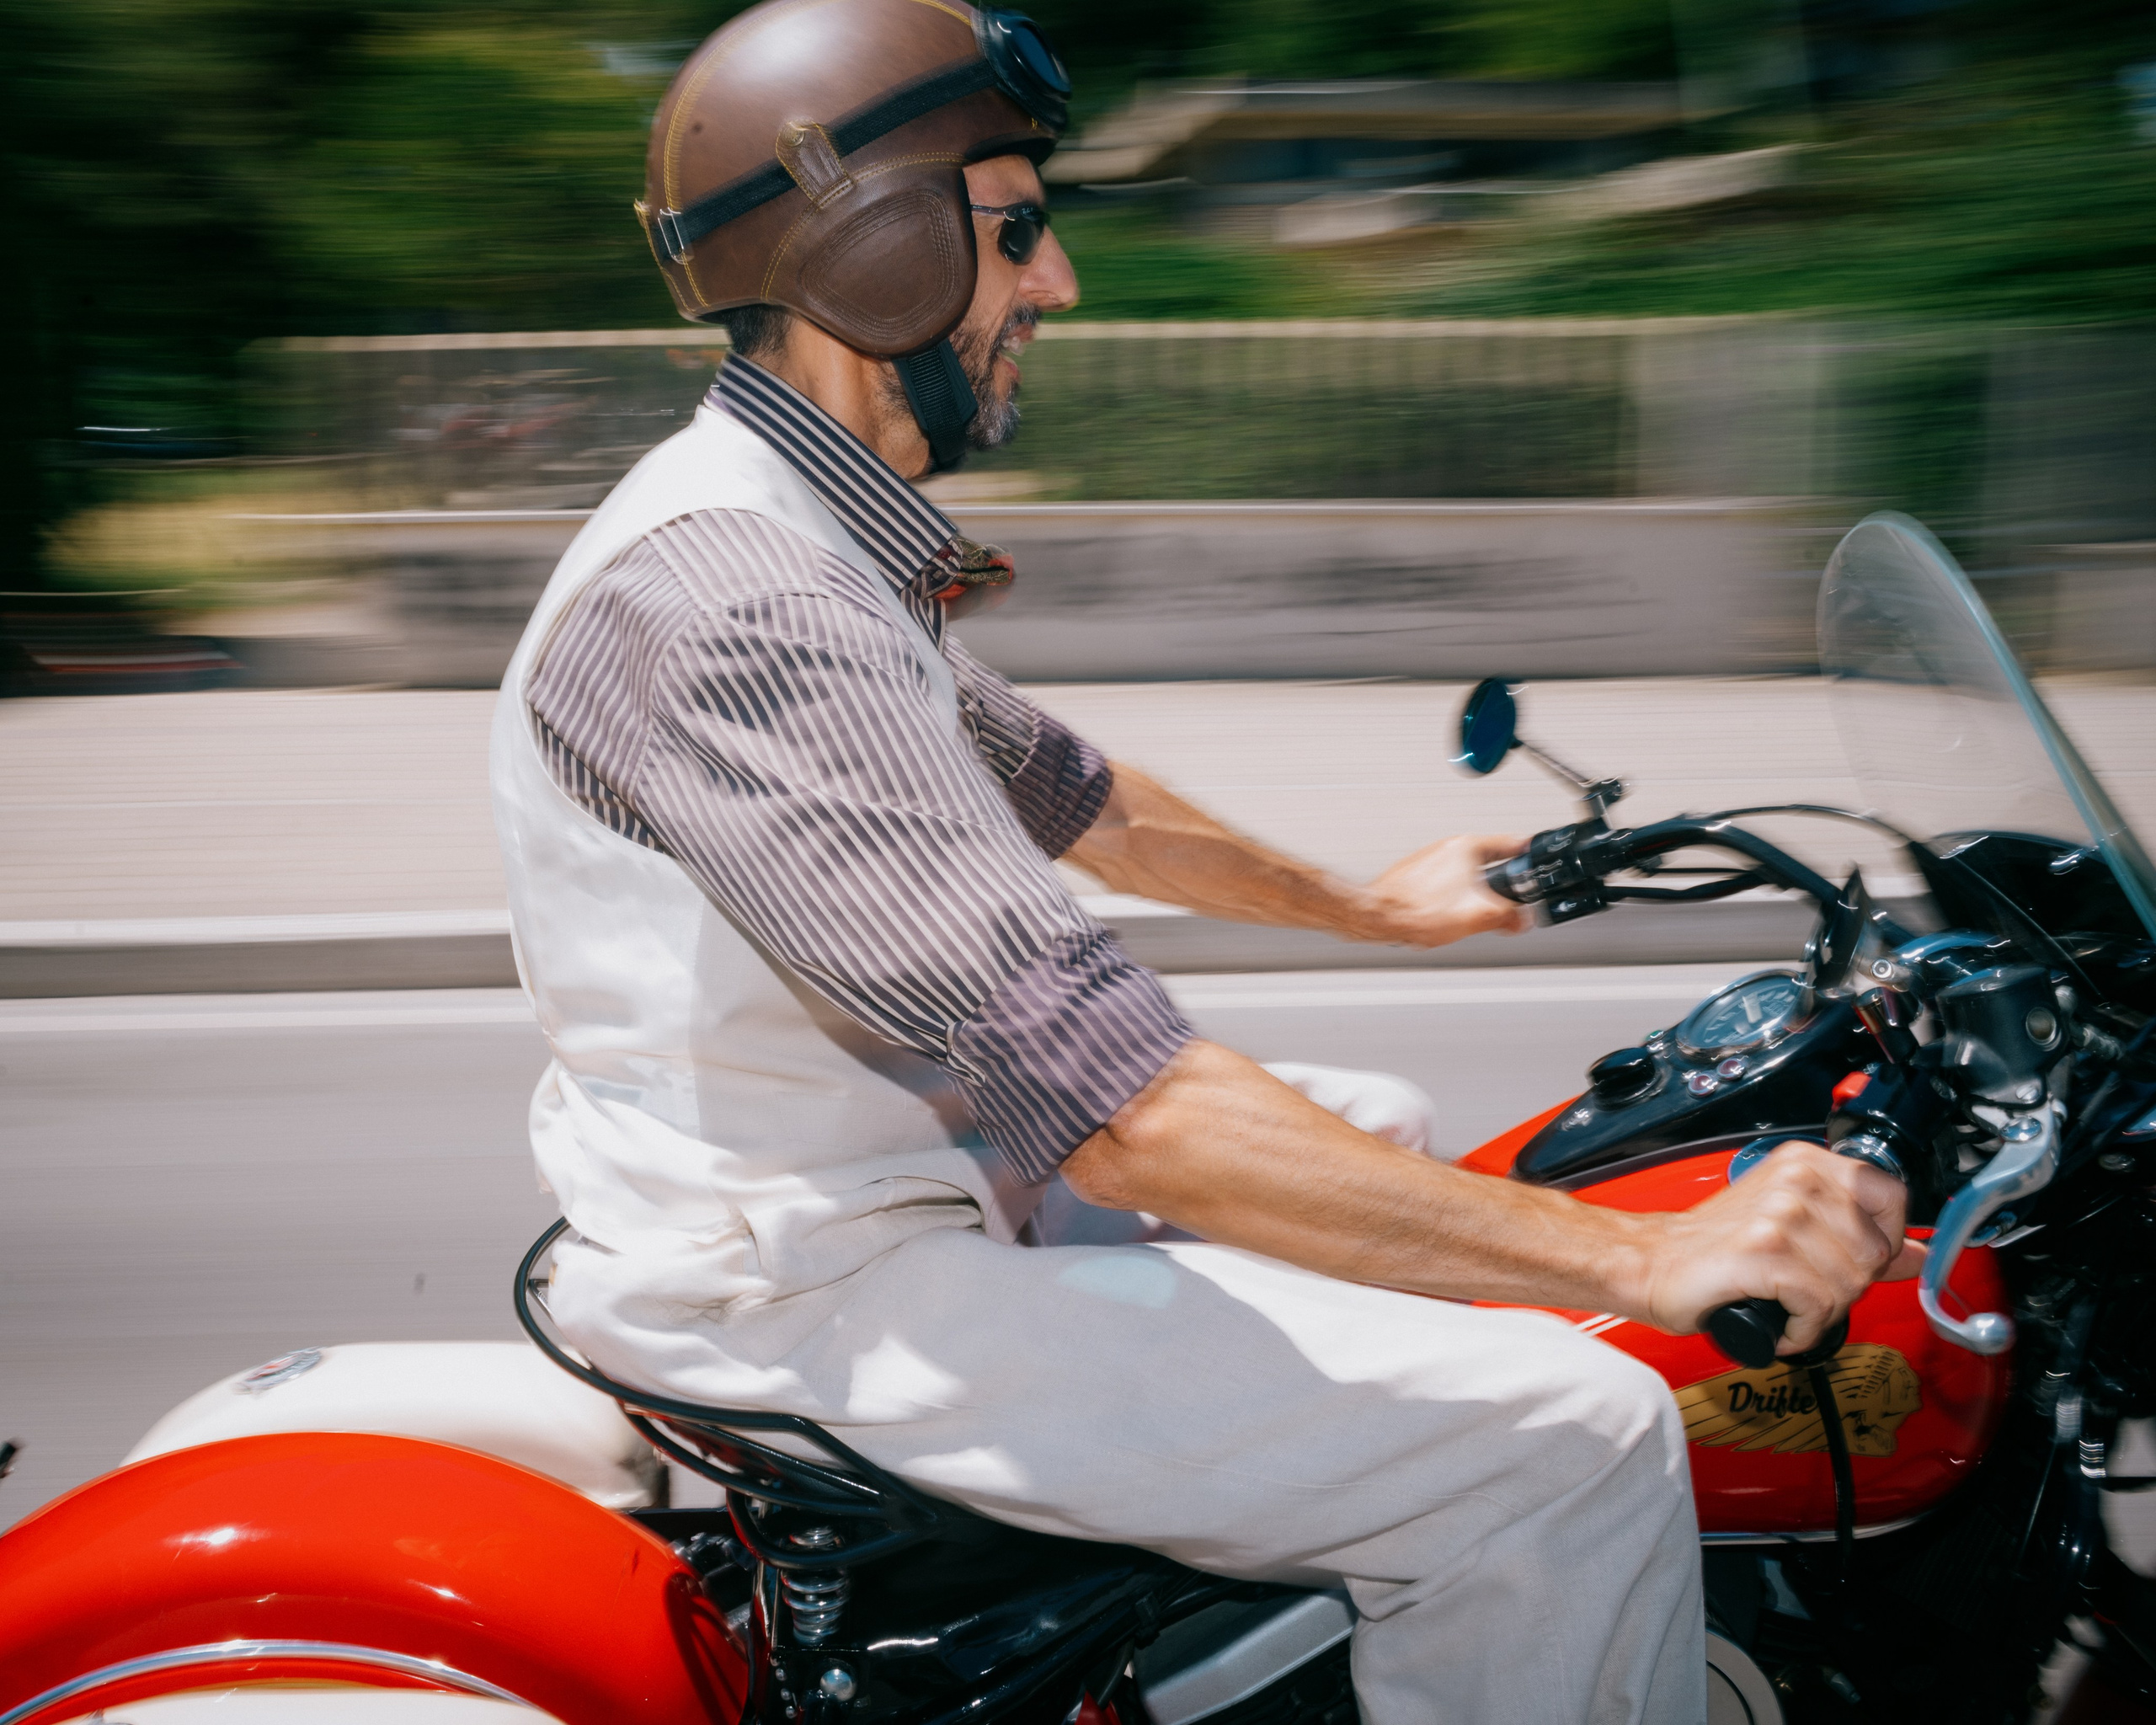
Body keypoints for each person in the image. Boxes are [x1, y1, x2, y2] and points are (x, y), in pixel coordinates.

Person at [490, 5, 1919, 1719]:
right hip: (811, 1281)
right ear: (874, 254)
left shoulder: (798, 528)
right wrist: (1646, 1266)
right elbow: (1126, 1104)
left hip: (864, 1187)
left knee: (1377, 1125)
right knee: (1571, 1427)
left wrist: (1371, 905)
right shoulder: (750, 606)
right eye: (1017, 227)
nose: (1059, 281)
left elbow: (1072, 792)